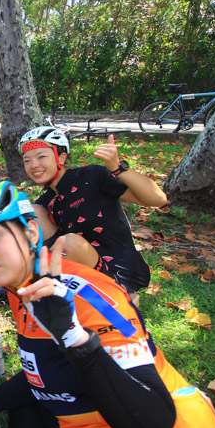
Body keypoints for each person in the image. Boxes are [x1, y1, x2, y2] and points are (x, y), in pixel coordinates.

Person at [0, 180, 215, 428]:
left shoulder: (91, 295)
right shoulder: (20, 286)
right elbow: (44, 372)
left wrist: (75, 337)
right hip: (76, 425)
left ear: (30, 232)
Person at [19, 127, 168, 302]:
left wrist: (118, 168)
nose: (34, 165)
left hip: (120, 270)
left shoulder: (91, 176)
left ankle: (120, 292)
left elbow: (158, 199)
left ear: (61, 157)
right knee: (33, 216)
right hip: (81, 270)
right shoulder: (45, 202)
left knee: (70, 242)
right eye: (27, 160)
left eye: (41, 156)